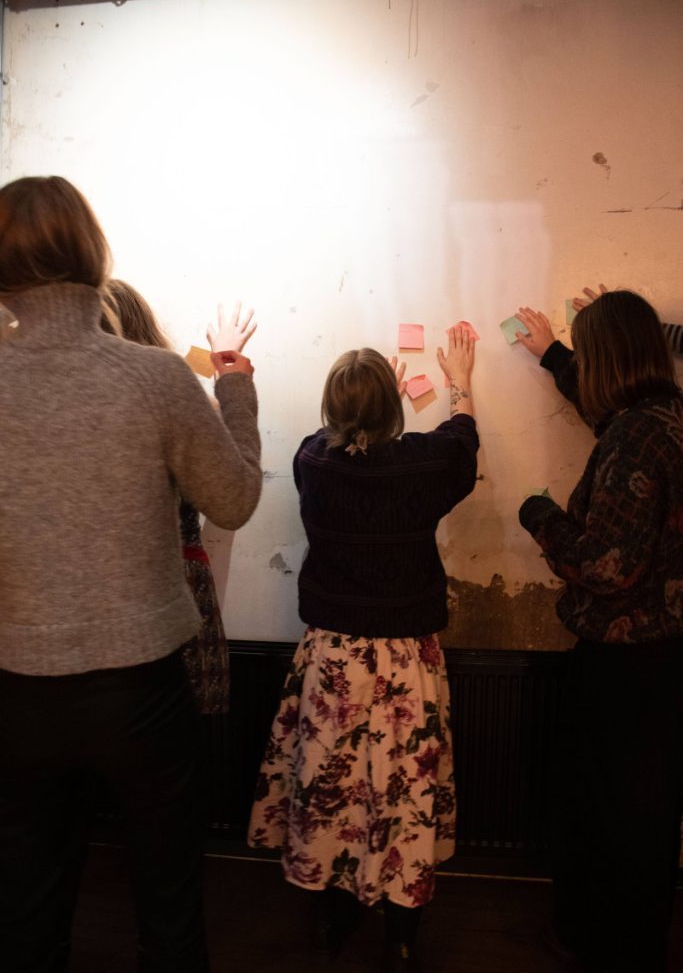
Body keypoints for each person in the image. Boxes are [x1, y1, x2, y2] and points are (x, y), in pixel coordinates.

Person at [0, 175, 262, 973]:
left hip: (16, 690)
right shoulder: (153, 377)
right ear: (94, 254)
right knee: (169, 908)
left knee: (28, 911)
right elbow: (234, 500)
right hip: (142, 693)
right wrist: (236, 392)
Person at [248, 329, 479, 973]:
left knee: (331, 791)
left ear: (332, 408)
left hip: (333, 659)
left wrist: (369, 411)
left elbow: (344, 443)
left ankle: (331, 923)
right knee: (406, 797)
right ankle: (400, 938)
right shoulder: (426, 464)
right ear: (393, 408)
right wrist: (459, 384)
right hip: (407, 663)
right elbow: (462, 443)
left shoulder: (311, 460)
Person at [517, 290, 683, 972]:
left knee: (609, 812)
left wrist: (539, 516)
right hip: (662, 658)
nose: (580, 368)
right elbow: (608, 423)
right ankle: (632, 942)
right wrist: (553, 355)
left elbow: (606, 565)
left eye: (586, 356)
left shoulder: (634, 436)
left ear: (607, 358)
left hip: (624, 663)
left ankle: (602, 945)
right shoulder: (664, 417)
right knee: (646, 811)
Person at [103, 281, 256, 715]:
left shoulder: (79, 410)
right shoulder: (175, 400)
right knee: (181, 723)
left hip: (102, 595)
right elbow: (233, 489)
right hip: (179, 585)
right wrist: (229, 373)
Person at [514, 283, 682, 414]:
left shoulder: (633, 430)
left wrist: (553, 354)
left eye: (583, 359)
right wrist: (626, 325)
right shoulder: (669, 405)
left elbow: (603, 412)